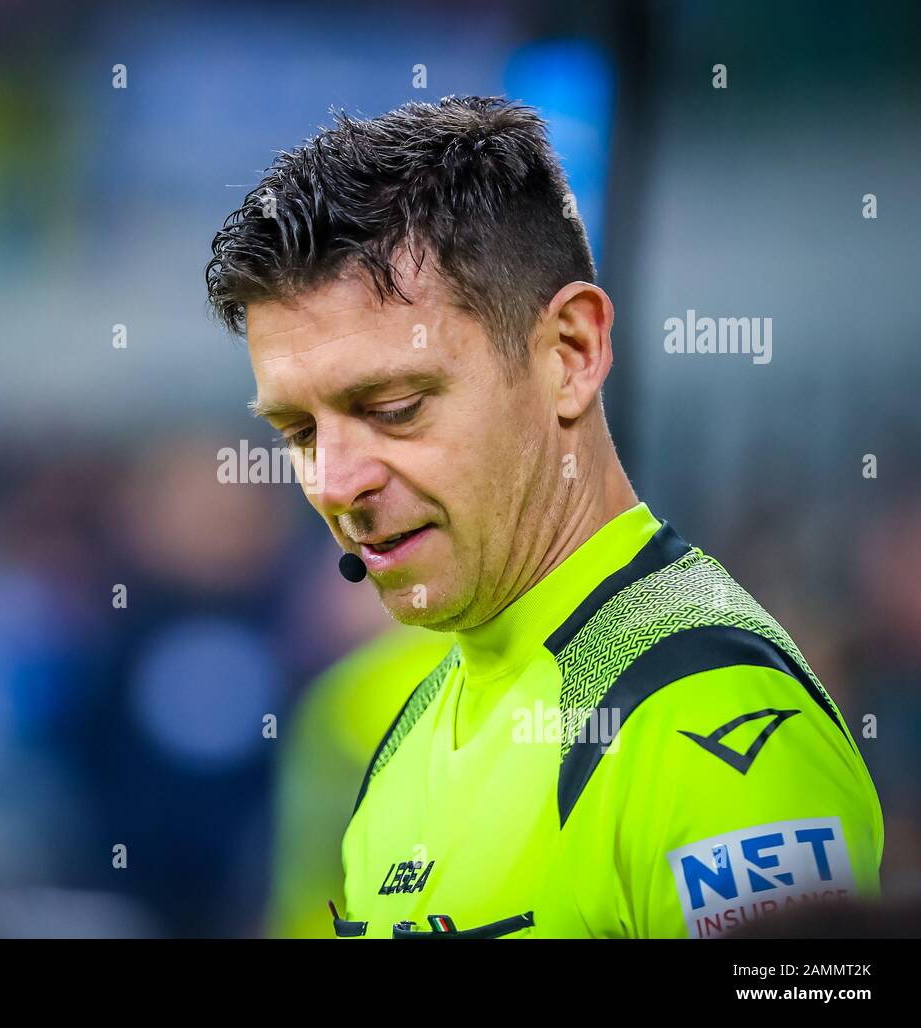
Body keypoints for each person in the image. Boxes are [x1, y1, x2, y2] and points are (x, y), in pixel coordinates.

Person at [204, 96, 884, 938]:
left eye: (397, 406)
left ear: (571, 354)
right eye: (301, 431)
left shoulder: (706, 723)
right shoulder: (413, 717)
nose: (334, 482)